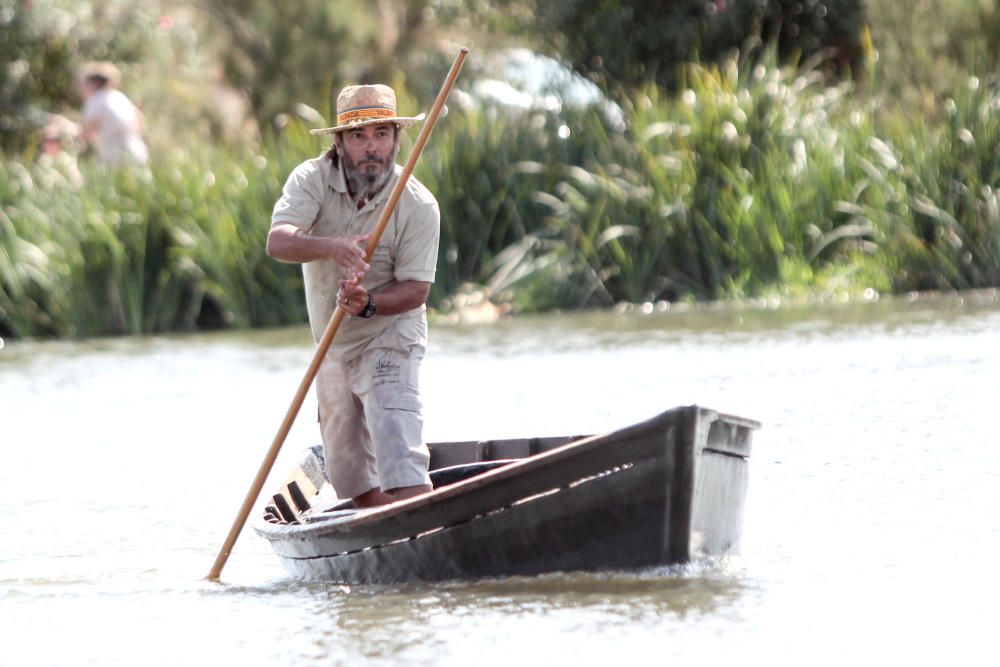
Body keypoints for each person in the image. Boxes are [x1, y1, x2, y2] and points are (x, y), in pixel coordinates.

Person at [267, 84, 440, 508]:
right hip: (332, 345)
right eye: (359, 136)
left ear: (396, 140)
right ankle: (383, 558)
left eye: (381, 134)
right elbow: (278, 242)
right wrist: (333, 247)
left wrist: (370, 304)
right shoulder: (310, 179)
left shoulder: (417, 205)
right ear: (340, 143)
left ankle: (421, 537)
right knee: (352, 480)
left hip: (389, 337)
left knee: (399, 458)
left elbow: (417, 291)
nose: (371, 147)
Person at [77, 62, 149, 166]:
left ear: (93, 84)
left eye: (84, 84)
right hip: (138, 152)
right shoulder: (118, 96)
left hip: (117, 158)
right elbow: (140, 120)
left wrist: (66, 129)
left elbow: (87, 134)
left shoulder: (95, 101)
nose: (81, 88)